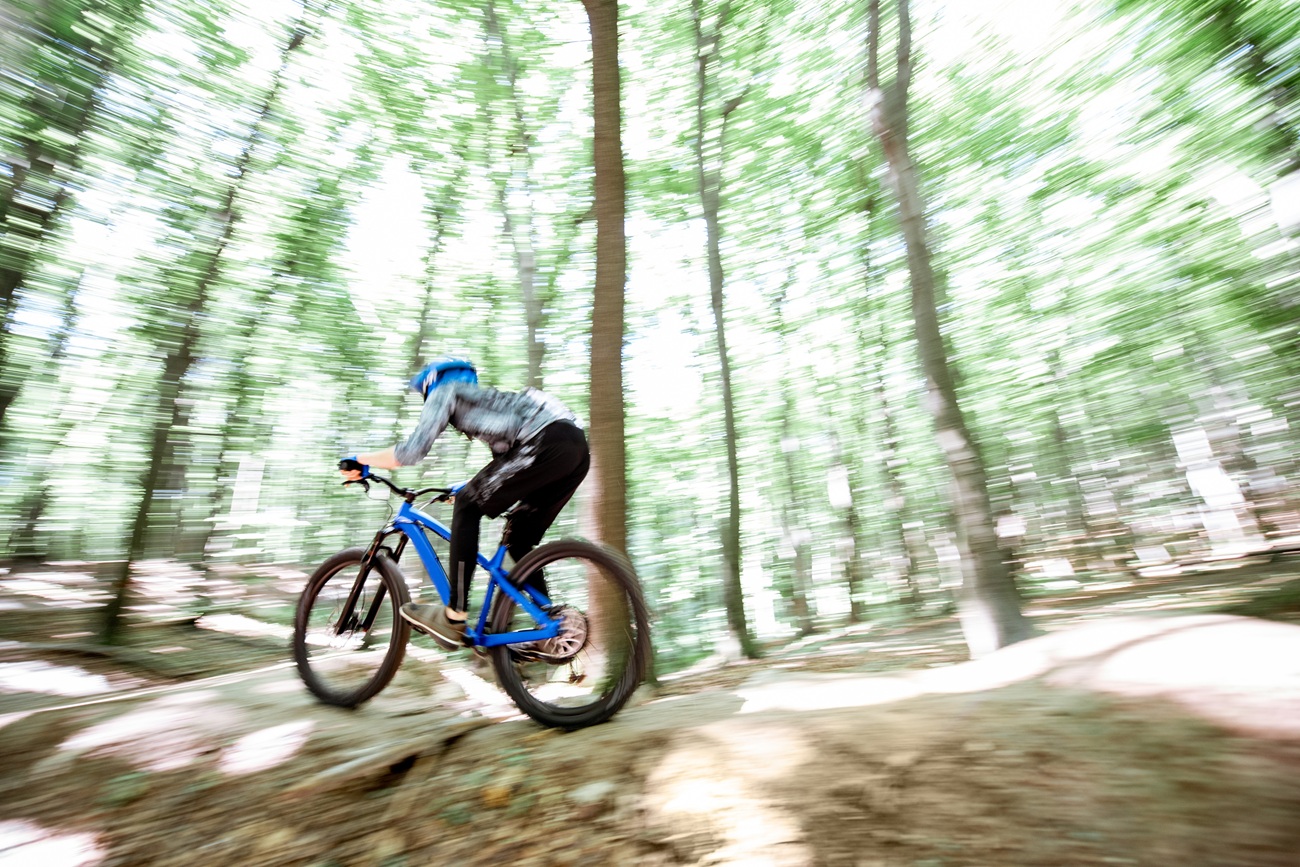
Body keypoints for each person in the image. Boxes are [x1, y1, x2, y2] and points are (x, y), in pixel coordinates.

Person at [338, 356, 589, 651]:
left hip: (545, 442)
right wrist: (469, 488)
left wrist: (360, 460)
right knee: (519, 538)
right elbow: (509, 466)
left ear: (431, 384)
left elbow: (410, 453)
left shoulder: (445, 391)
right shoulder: (496, 404)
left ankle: (454, 616)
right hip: (576, 451)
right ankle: (551, 621)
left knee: (468, 506)